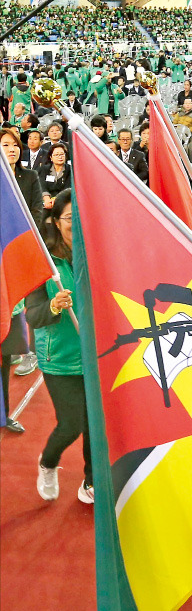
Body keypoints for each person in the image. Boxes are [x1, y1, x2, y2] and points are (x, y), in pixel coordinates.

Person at [25, 190, 94, 504]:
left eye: (80, 218)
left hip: (96, 355)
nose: (76, 224)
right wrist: (53, 306)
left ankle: (91, 480)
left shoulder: (94, 254)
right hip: (60, 360)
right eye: (69, 219)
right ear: (55, 221)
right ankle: (48, 461)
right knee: (72, 423)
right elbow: (33, 316)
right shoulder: (44, 263)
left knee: (97, 423)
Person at [0, 128, 43, 432]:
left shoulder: (28, 178)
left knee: (5, 353)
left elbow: (38, 210)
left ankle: (3, 414)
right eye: (5, 146)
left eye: (14, 146)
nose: (11, 150)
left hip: (18, 256)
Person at [38, 143, 71, 210]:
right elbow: (41, 184)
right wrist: (46, 198)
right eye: (56, 155)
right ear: (51, 157)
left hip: (64, 202)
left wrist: (56, 199)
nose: (60, 157)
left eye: (62, 154)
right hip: (46, 202)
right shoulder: (44, 169)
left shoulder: (70, 170)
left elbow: (68, 187)